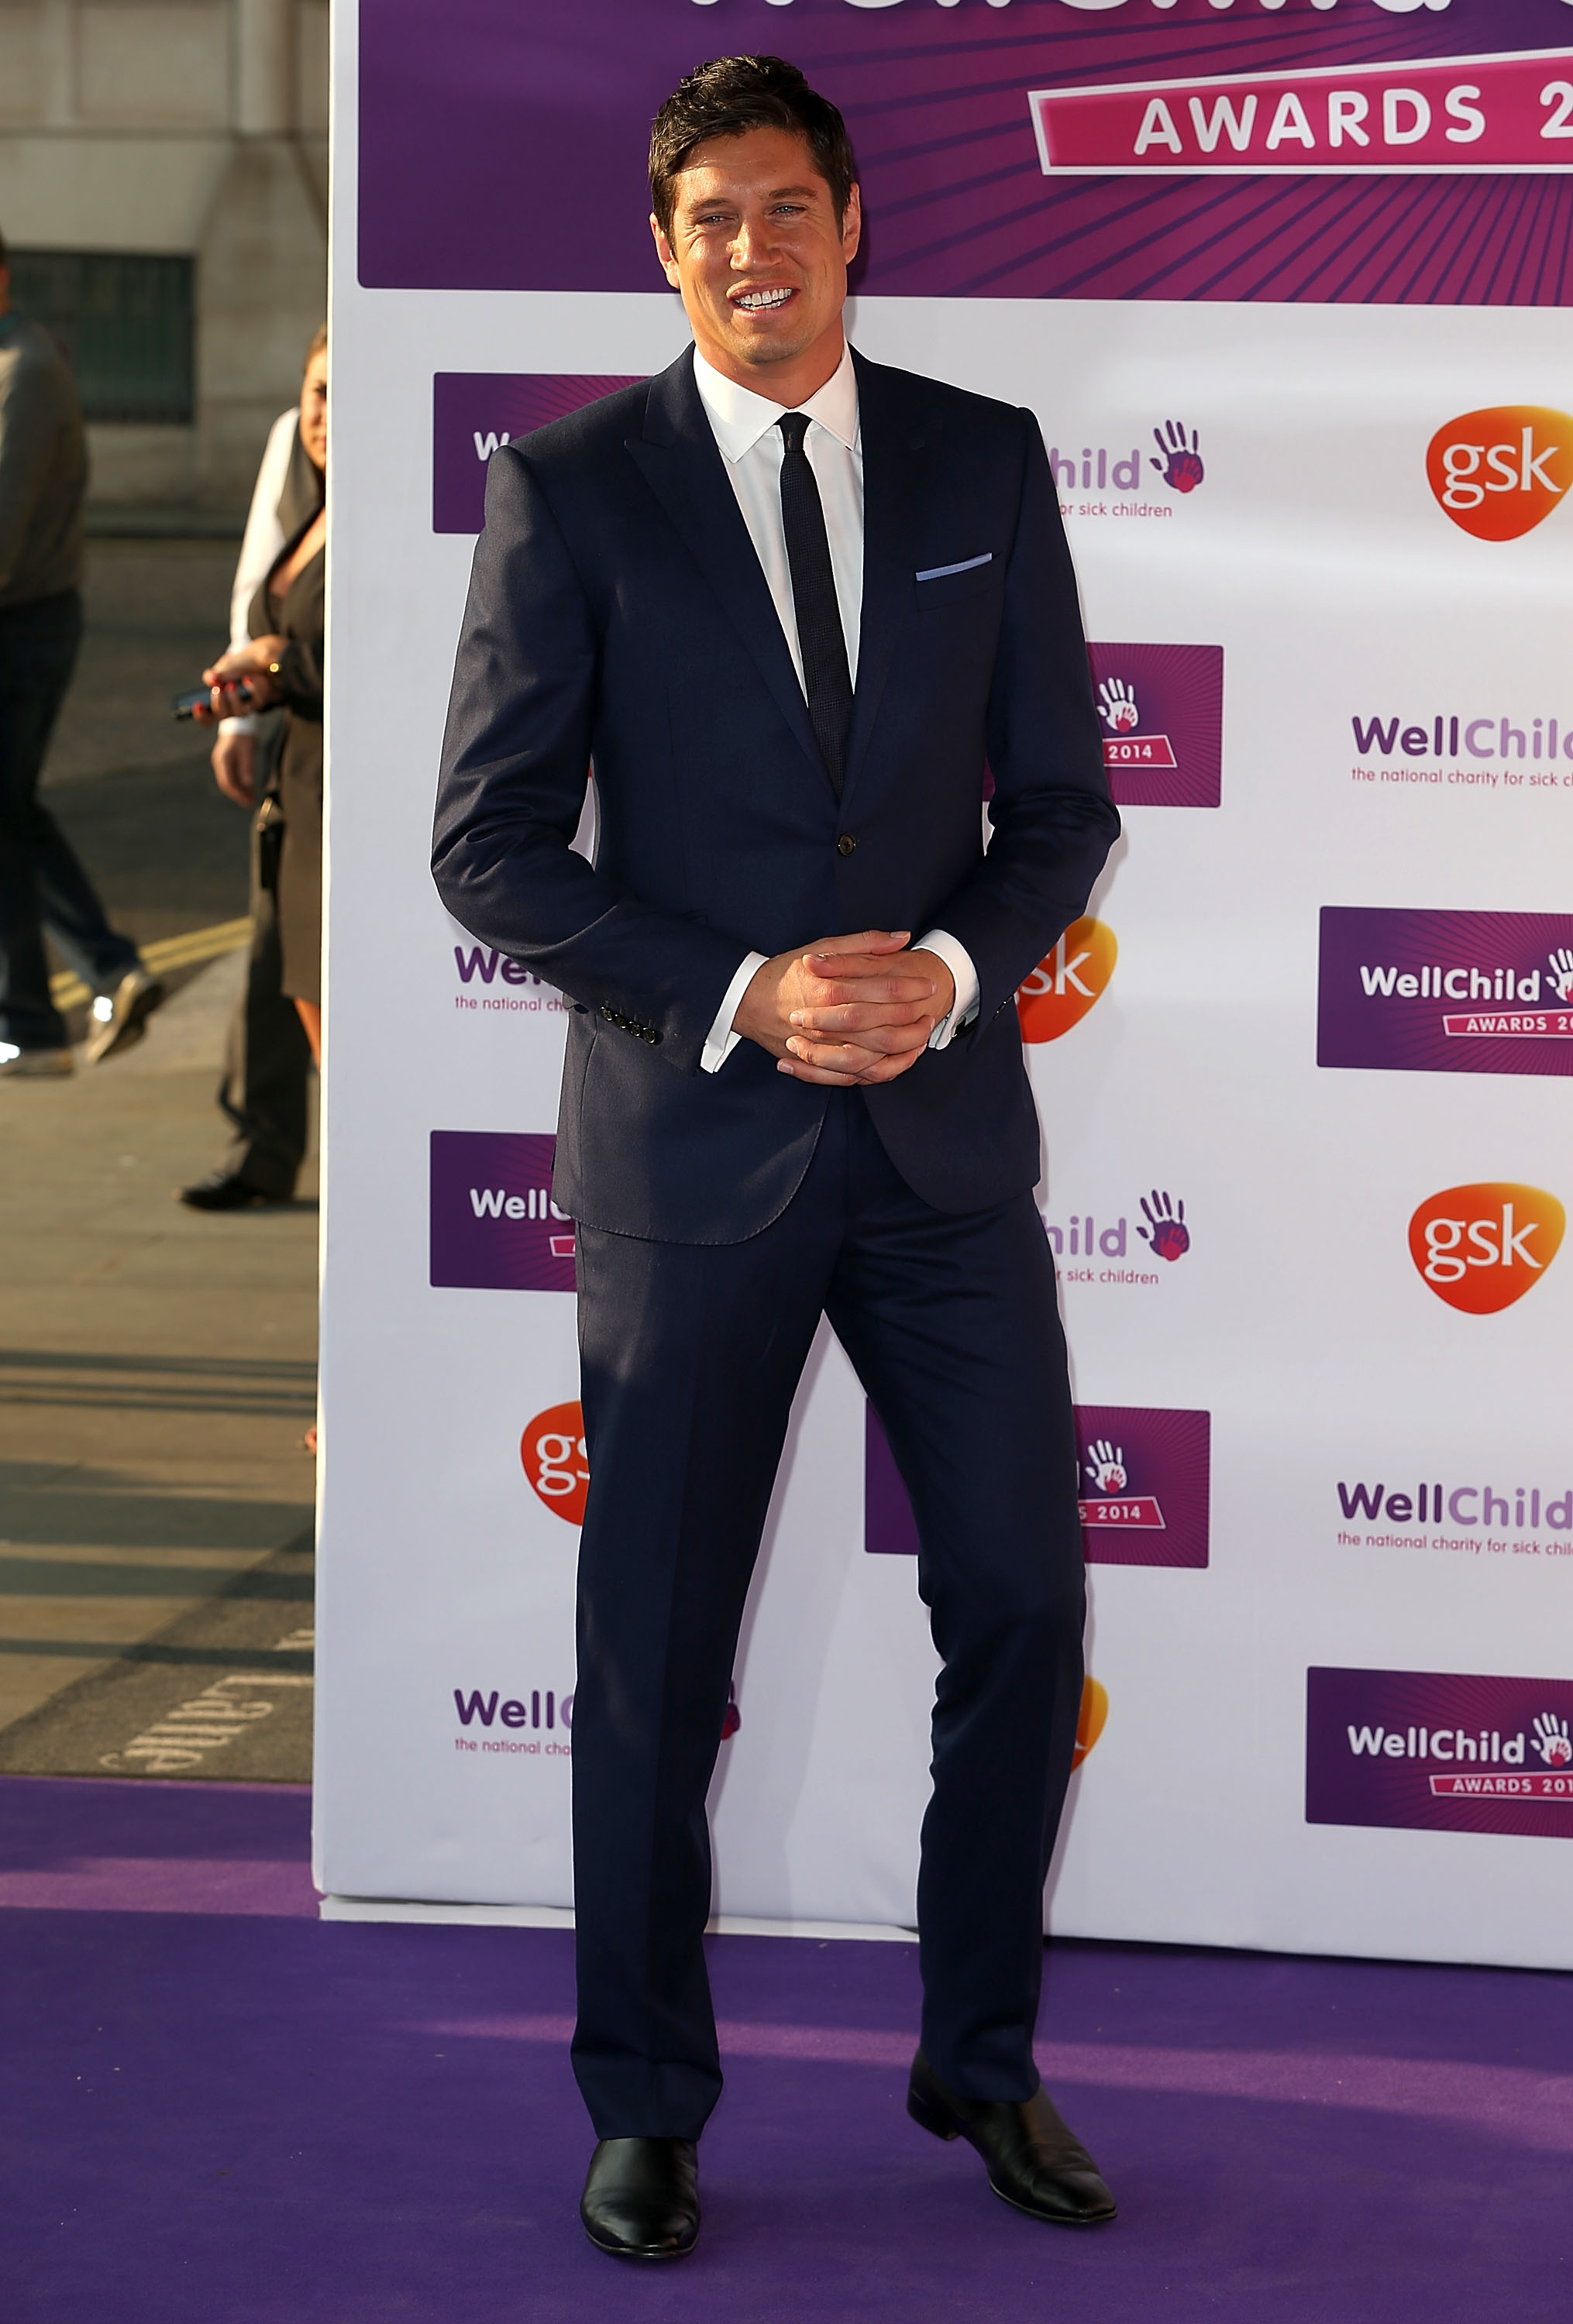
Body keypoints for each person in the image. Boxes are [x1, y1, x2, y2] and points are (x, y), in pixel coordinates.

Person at [432, 57, 1121, 2261]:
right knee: (652, 1650)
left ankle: (982, 2066)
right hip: (692, 1150)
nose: (753, 247)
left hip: (935, 1155)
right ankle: (643, 2100)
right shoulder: (568, 485)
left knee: (1018, 1593)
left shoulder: (977, 458)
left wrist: (939, 962)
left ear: (848, 223)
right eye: (709, 216)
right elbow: (490, 845)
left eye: (785, 207)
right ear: (665, 249)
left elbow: (1062, 805)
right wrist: (741, 991)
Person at [0, 225, 164, 1077]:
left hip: (21, 626)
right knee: (11, 813)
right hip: (23, 619)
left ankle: (41, 1011)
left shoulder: (24, 370)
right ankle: (82, 985)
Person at [178, 351, 320, 1208]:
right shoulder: (306, 480)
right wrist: (241, 704)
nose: (325, 414)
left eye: (343, 392)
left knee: (313, 988)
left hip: (346, 788)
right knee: (275, 966)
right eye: (315, 393)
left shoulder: (387, 484)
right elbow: (255, 578)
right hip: (294, 779)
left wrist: (282, 670)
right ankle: (263, 1146)